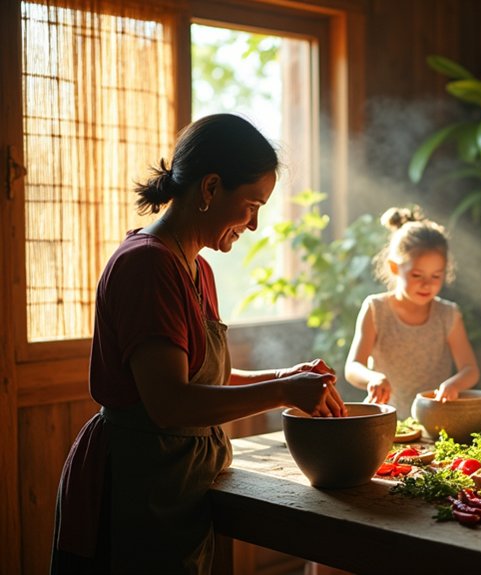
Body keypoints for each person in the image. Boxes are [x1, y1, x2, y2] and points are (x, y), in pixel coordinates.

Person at [51, 113, 346, 575]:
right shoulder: (147, 266)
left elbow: (201, 374)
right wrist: (283, 394)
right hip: (137, 486)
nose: (253, 225)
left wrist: (283, 376)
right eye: (251, 205)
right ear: (210, 189)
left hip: (175, 484)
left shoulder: (195, 267)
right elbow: (170, 402)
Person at [345, 206, 479, 418]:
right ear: (395, 268)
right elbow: (353, 367)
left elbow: (470, 369)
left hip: (434, 419)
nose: (427, 284)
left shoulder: (448, 314)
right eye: (417, 275)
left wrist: (454, 385)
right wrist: (373, 378)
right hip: (384, 418)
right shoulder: (376, 309)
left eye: (436, 276)